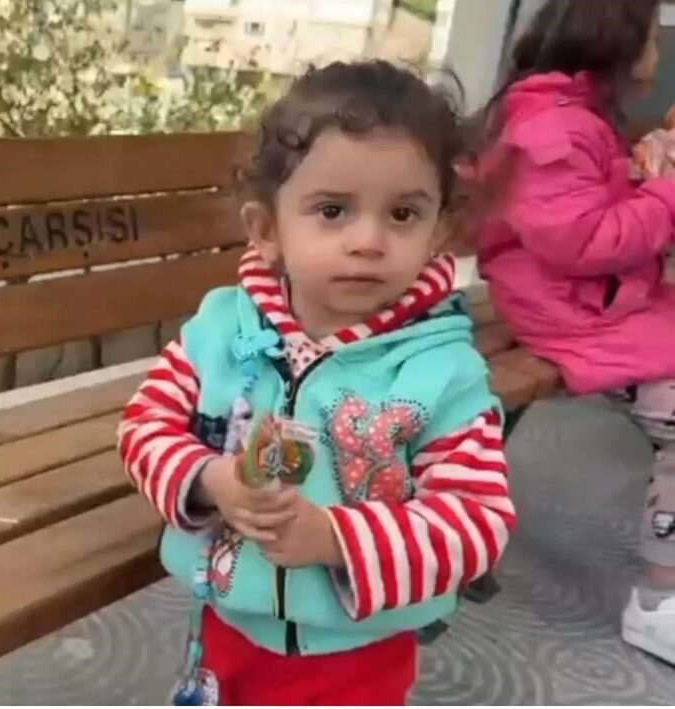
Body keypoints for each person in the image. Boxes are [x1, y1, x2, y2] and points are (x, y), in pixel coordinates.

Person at [117, 60, 516, 706]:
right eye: (333, 209)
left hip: (358, 657)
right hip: (224, 629)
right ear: (267, 230)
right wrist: (209, 479)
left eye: (403, 213)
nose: (369, 240)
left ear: (438, 231)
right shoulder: (221, 331)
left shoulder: (443, 373)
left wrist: (334, 539)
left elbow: (476, 522)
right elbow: (144, 425)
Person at [471, 0, 675, 663]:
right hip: (566, 310)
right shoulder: (552, 129)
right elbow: (583, 241)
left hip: (593, 301)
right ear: (614, 45)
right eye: (652, 39)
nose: (659, 52)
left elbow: (586, 212)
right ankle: (659, 601)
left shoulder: (574, 115)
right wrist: (667, 193)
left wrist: (641, 173)